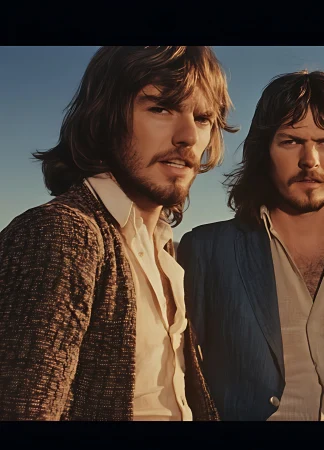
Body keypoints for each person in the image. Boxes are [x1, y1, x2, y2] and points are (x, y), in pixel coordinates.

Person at [0, 46, 236, 420]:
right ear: (106, 116)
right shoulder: (63, 233)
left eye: (204, 118)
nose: (189, 135)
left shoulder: (163, 250)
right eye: (161, 108)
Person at [177, 70, 324, 421]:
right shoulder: (208, 249)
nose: (310, 160)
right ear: (263, 152)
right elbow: (185, 379)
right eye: (290, 141)